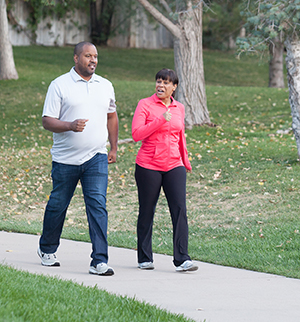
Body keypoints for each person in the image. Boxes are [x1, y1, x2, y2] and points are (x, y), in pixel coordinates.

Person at [37, 41, 118, 276]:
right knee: (58, 205)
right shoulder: (59, 85)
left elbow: (111, 117)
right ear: (75, 58)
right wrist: (70, 125)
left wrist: (113, 147)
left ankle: (99, 260)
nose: (93, 60)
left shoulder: (105, 85)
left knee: (97, 206)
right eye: (87, 56)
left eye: (95, 56)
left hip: (96, 157)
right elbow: (47, 121)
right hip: (65, 160)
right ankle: (47, 249)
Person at [131, 68, 198, 272]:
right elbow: (136, 134)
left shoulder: (179, 107)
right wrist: (160, 120)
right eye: (158, 81)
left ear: (174, 87)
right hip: (148, 165)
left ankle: (182, 259)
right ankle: (144, 258)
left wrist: (185, 161)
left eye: (166, 82)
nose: (161, 85)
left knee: (179, 210)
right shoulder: (145, 104)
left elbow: (180, 136)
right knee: (146, 211)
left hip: (173, 165)